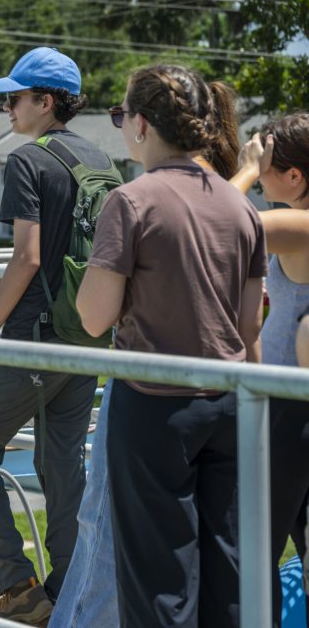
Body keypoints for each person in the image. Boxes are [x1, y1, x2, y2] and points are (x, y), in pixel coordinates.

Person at [77, 64, 266, 627]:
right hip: (229, 403)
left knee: (158, 578)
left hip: (153, 404)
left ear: (138, 123)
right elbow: (245, 325)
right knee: (227, 570)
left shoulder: (131, 201)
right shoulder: (241, 208)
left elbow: (93, 317)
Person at [0, 47, 111, 626]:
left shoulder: (27, 161)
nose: (7, 107)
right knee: (63, 466)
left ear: (46, 102)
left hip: (33, 339)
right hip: (86, 339)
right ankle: (69, 589)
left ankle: (18, 588)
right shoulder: (102, 160)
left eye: (14, 98)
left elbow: (25, 258)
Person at [231, 114, 309, 624]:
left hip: (292, 411)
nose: (259, 175)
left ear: (295, 176)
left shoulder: (301, 225)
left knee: (252, 548)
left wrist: (241, 170)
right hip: (289, 402)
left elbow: (212, 220)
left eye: (266, 166)